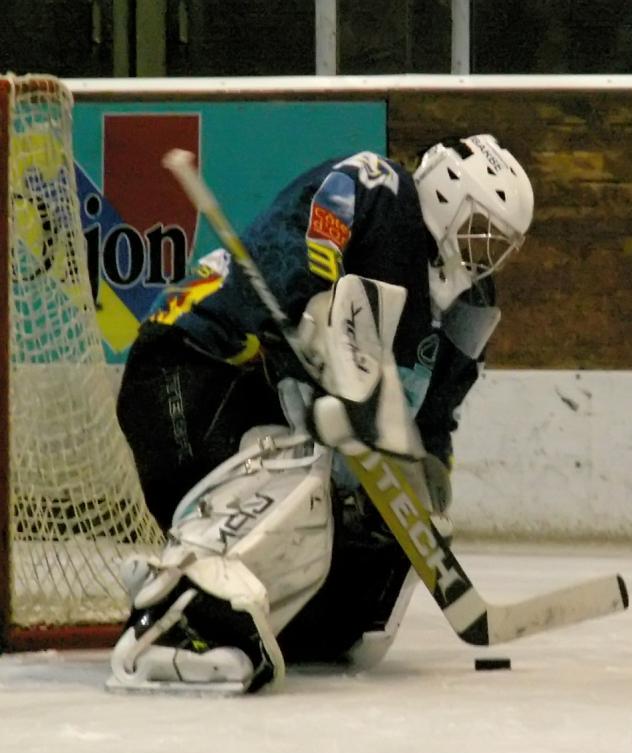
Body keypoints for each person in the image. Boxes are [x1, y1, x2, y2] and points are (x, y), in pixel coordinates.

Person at [109, 135, 534, 694]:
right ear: (447, 196)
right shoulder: (381, 188)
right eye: (482, 230)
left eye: (502, 244)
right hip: (189, 364)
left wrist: (427, 480)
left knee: (375, 519)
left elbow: (432, 422)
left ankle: (299, 621)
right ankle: (183, 607)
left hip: (254, 397)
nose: (487, 254)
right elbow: (306, 241)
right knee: (300, 458)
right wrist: (310, 301)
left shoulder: (469, 306)